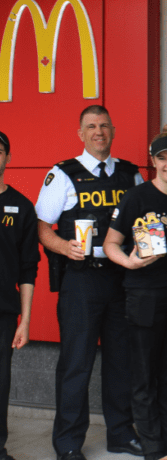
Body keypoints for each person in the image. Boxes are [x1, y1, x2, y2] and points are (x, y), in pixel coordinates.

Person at [36, 105, 144, 460]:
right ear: (80, 134)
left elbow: (144, 225)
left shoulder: (131, 176)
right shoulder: (62, 174)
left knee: (120, 361)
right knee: (76, 362)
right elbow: (42, 227)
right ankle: (67, 443)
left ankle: (120, 434)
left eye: (104, 126)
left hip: (121, 278)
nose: (99, 132)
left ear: (113, 130)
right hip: (81, 280)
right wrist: (63, 246)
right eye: (91, 127)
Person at [103, 123, 167, 460]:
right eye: (162, 158)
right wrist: (129, 262)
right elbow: (111, 242)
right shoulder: (137, 197)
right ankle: (153, 447)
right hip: (143, 295)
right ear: (152, 161)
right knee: (144, 375)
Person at [0, 131, 39, 460]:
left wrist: (25, 320)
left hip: (3, 312)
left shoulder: (22, 208)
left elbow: (29, 269)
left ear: (8, 158)